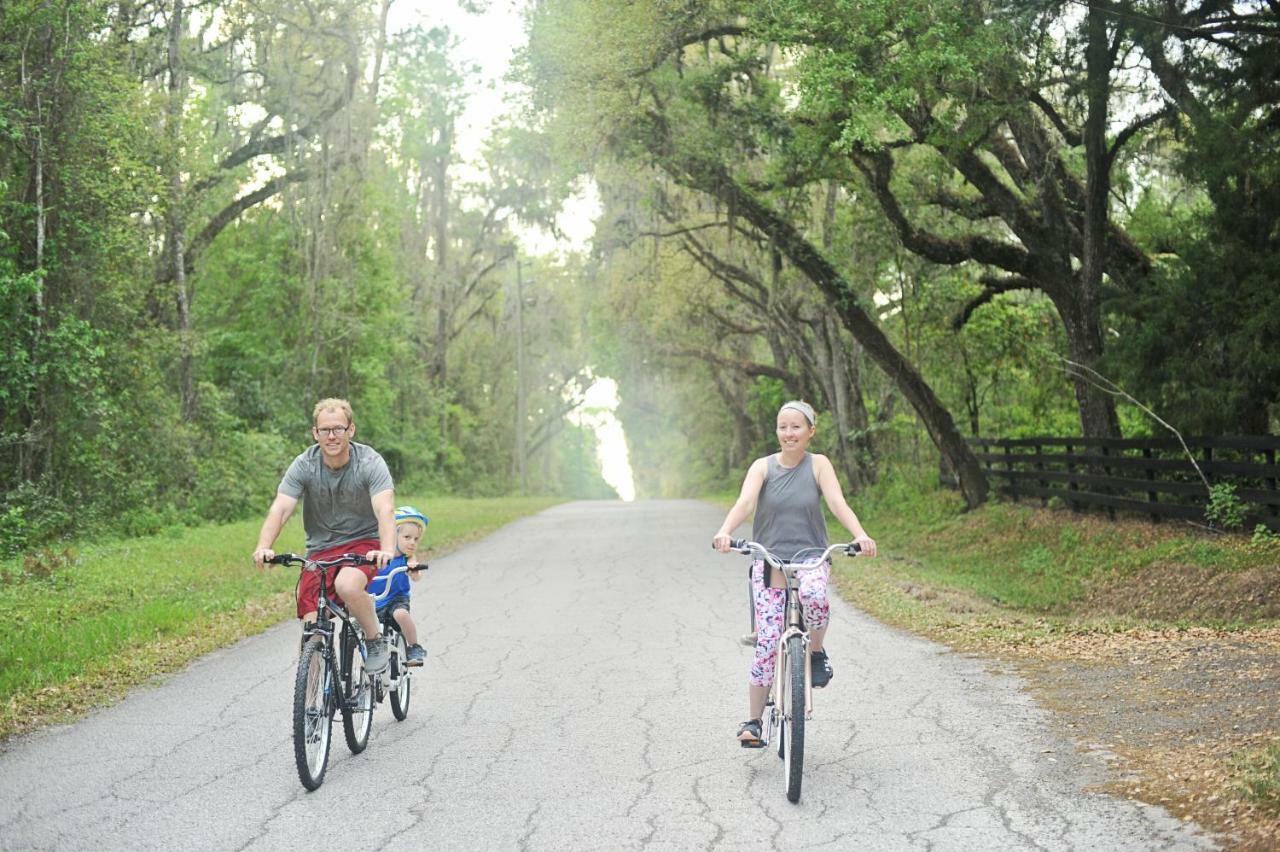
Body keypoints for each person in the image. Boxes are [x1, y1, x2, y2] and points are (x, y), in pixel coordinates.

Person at [712, 399, 877, 748]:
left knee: (815, 597)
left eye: (796, 427)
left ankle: (815, 651)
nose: (789, 433)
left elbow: (836, 503)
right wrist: (726, 531)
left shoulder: (818, 465)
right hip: (770, 558)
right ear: (777, 431)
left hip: (811, 557)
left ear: (810, 432)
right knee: (768, 642)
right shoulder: (763, 466)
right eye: (783, 427)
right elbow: (745, 503)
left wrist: (860, 535)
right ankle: (754, 721)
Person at [252, 398, 397, 673]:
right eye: (325, 430)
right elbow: (282, 508)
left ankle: (374, 639)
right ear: (315, 433)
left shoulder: (369, 462)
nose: (332, 436)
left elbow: (385, 507)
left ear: (351, 430)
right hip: (320, 551)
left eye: (339, 429)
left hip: (363, 544)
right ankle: (308, 707)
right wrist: (264, 546)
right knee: (311, 628)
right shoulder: (304, 464)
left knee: (347, 586)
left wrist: (387, 549)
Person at [368, 506, 430, 666]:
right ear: (392, 535)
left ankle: (413, 646)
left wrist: (414, 570)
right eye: (407, 537)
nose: (412, 542)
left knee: (402, 614)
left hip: (396, 599)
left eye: (416, 539)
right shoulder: (378, 553)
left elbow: (416, 574)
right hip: (373, 600)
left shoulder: (407, 557)